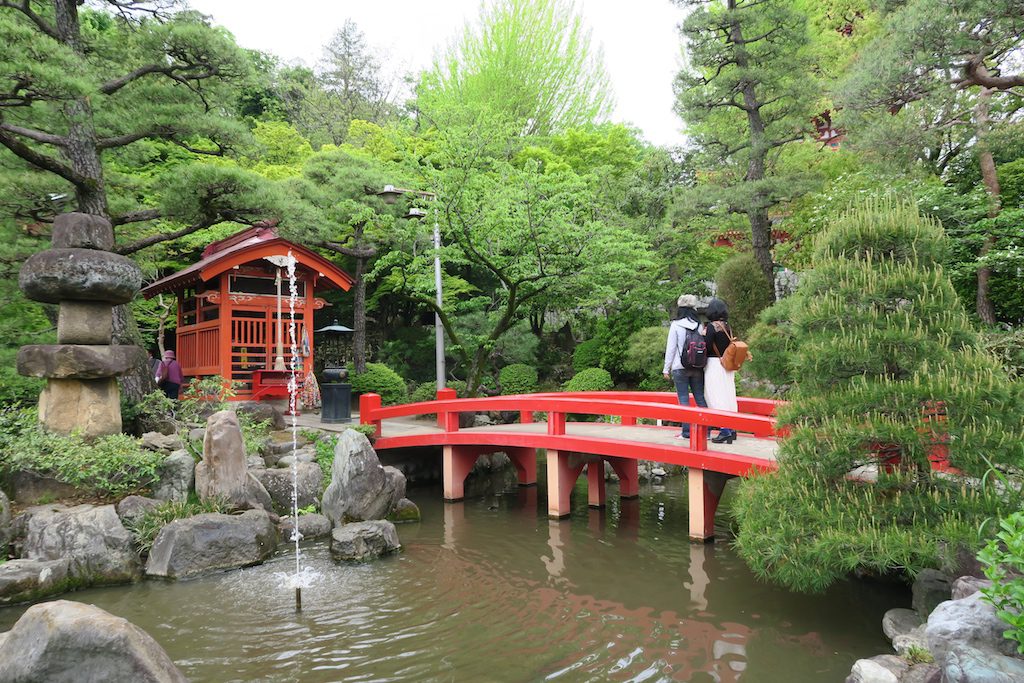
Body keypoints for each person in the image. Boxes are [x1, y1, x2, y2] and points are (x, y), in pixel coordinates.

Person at [662, 294, 708, 439]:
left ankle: (686, 432)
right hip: (697, 367)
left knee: (683, 399)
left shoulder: (676, 325)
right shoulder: (699, 325)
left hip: (680, 367)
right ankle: (706, 432)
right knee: (700, 399)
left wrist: (666, 368)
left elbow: (671, 348)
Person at [704, 298, 738, 444]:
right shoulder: (727, 326)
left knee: (715, 395)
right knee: (728, 395)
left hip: (715, 364)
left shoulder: (712, 327)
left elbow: (707, 346)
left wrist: (702, 335)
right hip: (728, 365)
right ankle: (732, 428)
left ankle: (724, 430)